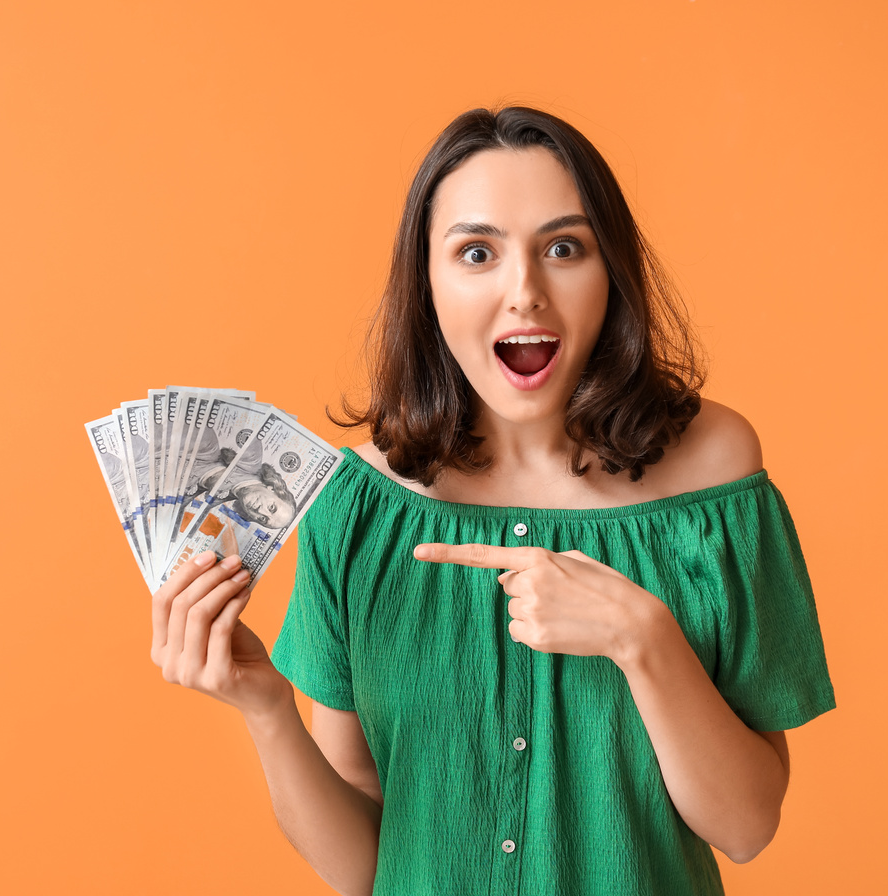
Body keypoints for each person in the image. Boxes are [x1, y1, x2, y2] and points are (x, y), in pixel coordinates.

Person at [147, 105, 837, 895]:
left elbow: (746, 827)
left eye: (564, 248)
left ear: (610, 273)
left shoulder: (714, 474)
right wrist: (266, 707)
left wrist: (642, 639)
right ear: (428, 284)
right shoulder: (358, 506)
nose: (525, 292)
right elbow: (364, 869)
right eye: (477, 253)